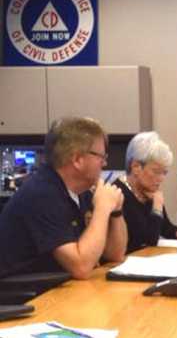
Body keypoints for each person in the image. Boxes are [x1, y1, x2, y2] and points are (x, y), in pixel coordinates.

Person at [0, 117, 127, 279]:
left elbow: (115, 255)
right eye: (101, 156)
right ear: (77, 160)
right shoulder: (42, 194)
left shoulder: (81, 192)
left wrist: (115, 212)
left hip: (57, 288)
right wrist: (102, 208)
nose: (104, 163)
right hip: (25, 295)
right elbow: (81, 267)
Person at [114, 132, 177, 253]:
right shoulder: (118, 194)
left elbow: (165, 227)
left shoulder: (148, 191)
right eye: (156, 172)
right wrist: (157, 208)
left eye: (164, 172)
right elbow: (148, 240)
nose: (161, 178)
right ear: (136, 167)